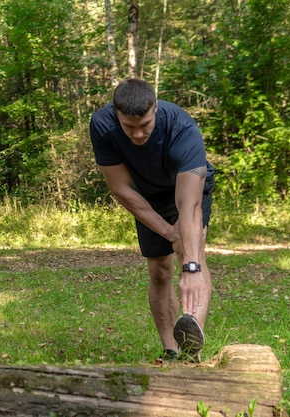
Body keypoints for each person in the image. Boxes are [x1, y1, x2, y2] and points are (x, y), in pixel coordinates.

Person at [89, 78, 214, 361]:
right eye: (129, 127)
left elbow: (190, 204)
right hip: (147, 193)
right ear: (116, 114)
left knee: (189, 252)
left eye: (145, 124)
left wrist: (191, 265)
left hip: (188, 188)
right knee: (158, 270)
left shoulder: (183, 129)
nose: (137, 134)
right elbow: (120, 188)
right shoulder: (102, 125)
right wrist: (167, 232)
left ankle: (191, 343)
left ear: (156, 107)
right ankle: (171, 350)